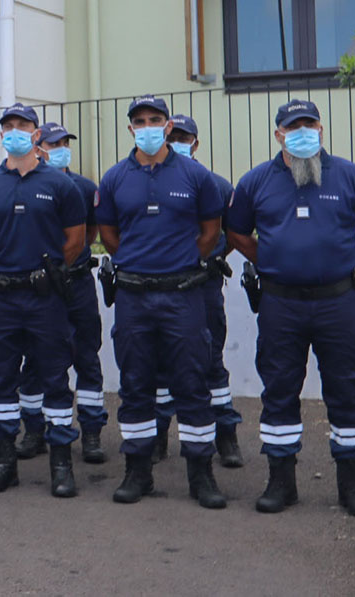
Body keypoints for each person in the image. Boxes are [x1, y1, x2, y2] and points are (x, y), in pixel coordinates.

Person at [226, 99, 355, 518]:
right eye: (292, 127)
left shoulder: (351, 177)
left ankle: (351, 485)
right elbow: (238, 233)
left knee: (345, 388)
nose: (302, 133)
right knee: (279, 388)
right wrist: (273, 260)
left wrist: (344, 257)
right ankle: (281, 482)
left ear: (321, 128)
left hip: (338, 302)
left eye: (309, 125)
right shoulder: (256, 182)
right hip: (281, 304)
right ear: (278, 134)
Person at [95, 95, 227, 509]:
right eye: (140, 121)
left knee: (192, 382)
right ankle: (138, 473)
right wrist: (138, 263)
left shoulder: (195, 176)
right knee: (135, 383)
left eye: (155, 119)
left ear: (168, 126)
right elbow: (110, 235)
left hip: (183, 295)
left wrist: (184, 261)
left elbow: (210, 231)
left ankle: (201, 475)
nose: (148, 126)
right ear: (131, 128)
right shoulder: (115, 178)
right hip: (133, 296)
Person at [0, 105, 87, 496]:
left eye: (22, 126)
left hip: (45, 298)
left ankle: (61, 464)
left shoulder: (60, 184)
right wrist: (4, 267)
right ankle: (5, 463)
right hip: (0, 296)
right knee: (1, 380)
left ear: (37, 135)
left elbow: (75, 240)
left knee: (54, 377)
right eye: (8, 127)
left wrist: (47, 272)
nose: (14, 132)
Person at [151, 114, 244, 467]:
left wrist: (209, 257)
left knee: (210, 363)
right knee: (161, 366)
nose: (176, 141)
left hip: (203, 285)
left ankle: (226, 436)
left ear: (195, 142)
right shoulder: (153, 183)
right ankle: (159, 436)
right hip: (161, 285)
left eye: (183, 136)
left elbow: (232, 235)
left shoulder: (216, 185)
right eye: (171, 135)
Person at [23, 122, 109, 465]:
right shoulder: (26, 185)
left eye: (64, 143)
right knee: (34, 360)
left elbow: (90, 233)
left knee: (86, 356)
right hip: (39, 288)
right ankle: (33, 430)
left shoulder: (85, 187)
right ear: (38, 146)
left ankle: (90, 433)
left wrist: (68, 260)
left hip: (76, 282)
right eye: (53, 143)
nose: (60, 148)